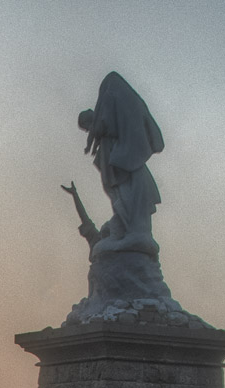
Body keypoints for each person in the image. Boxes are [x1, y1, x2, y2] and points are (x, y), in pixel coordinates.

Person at [78, 72, 164, 257]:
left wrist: (92, 138)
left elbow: (101, 126)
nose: (88, 131)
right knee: (116, 191)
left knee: (120, 190)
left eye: (86, 126)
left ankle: (129, 226)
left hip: (117, 162)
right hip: (114, 164)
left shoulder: (111, 130)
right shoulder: (106, 136)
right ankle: (126, 225)